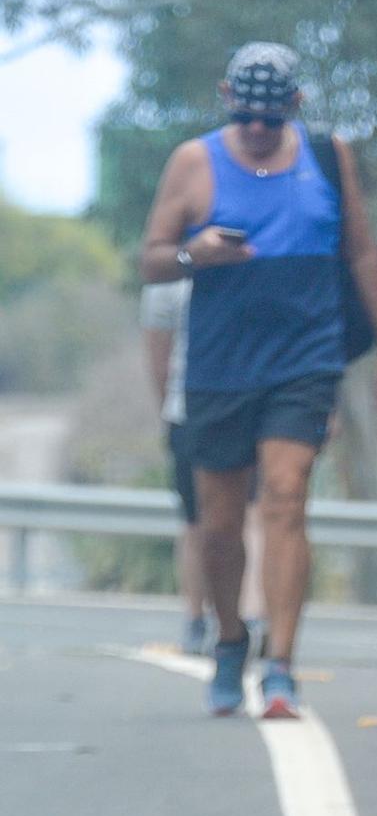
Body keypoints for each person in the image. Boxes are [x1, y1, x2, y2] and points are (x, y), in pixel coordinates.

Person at [139, 42, 377, 717]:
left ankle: (281, 664)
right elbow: (149, 262)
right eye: (248, 114)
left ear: (296, 106)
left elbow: (361, 252)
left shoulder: (326, 156)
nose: (259, 129)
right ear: (228, 97)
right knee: (219, 524)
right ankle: (231, 639)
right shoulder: (194, 161)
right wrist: (192, 253)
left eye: (272, 117)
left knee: (288, 497)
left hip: (304, 360)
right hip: (220, 367)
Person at [140, 276, 265, 654]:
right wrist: (172, 409)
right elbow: (158, 357)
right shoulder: (167, 279)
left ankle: (251, 615)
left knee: (253, 514)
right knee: (196, 519)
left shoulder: (256, 264)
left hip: (248, 408)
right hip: (190, 411)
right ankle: (196, 617)